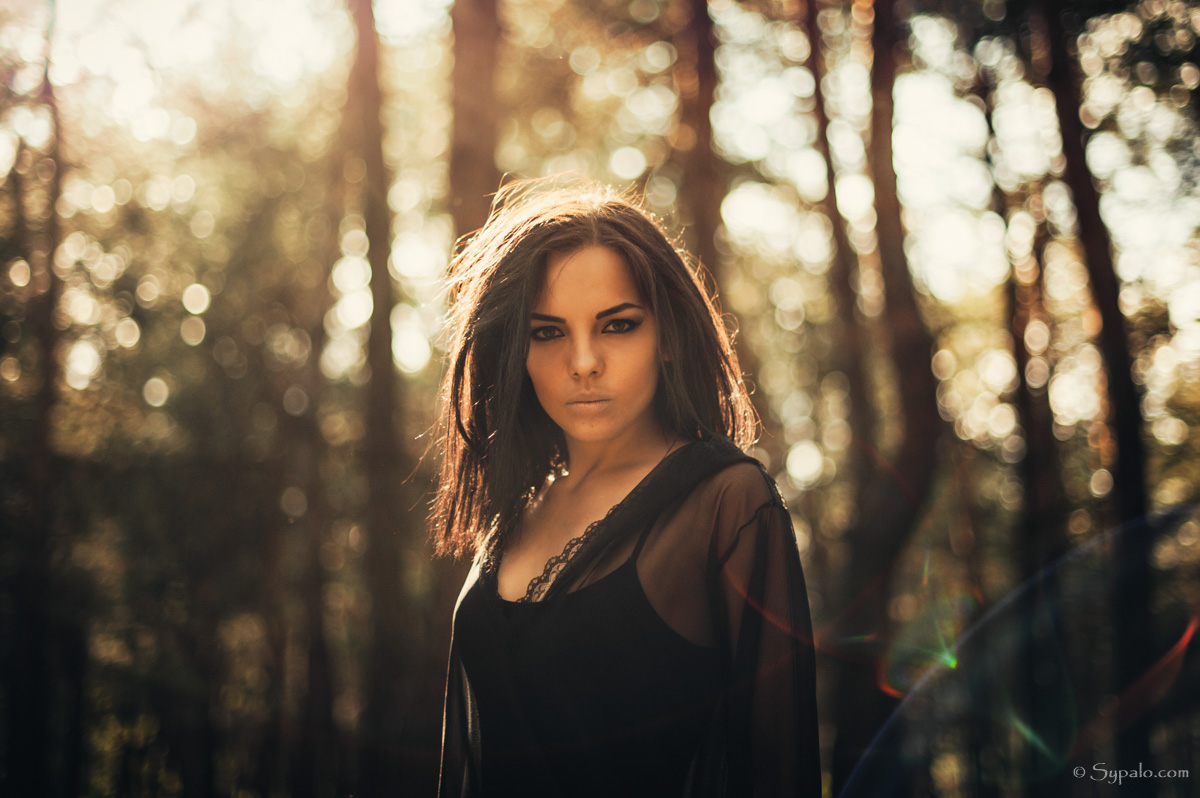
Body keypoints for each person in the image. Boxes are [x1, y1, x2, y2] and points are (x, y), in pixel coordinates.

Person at [431, 178, 820, 797]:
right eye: (548, 332)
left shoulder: (727, 504)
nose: (583, 361)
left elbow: (777, 768)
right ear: (517, 351)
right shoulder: (515, 511)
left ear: (666, 336)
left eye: (616, 326)